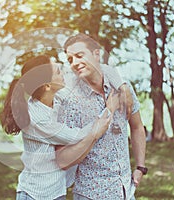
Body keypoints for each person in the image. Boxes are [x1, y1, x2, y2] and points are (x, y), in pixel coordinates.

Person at [0, 55, 121, 200]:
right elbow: (78, 136)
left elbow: (82, 81)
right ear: (48, 86)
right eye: (58, 71)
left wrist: (121, 83)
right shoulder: (37, 118)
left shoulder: (56, 99)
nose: (63, 72)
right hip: (36, 194)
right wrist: (109, 110)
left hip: (56, 191)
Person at [55, 34, 147, 199]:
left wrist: (140, 167)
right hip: (91, 194)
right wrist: (94, 134)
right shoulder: (69, 101)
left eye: (79, 55)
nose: (74, 63)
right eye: (70, 59)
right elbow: (62, 159)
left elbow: (137, 126)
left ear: (96, 54)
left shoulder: (123, 88)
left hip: (126, 191)